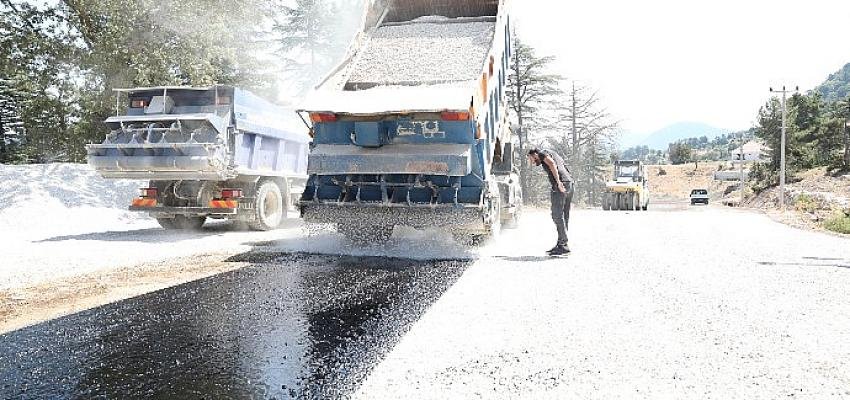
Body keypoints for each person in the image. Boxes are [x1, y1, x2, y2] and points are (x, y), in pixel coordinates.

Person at [527, 149, 574, 255]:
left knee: (556, 215)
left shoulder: (542, 154)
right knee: (563, 215)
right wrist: (569, 181)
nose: (532, 162)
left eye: (531, 159)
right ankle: (562, 244)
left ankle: (563, 243)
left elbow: (552, 163)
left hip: (561, 185)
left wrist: (558, 182)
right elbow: (563, 165)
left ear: (535, 154)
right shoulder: (554, 153)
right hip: (569, 183)